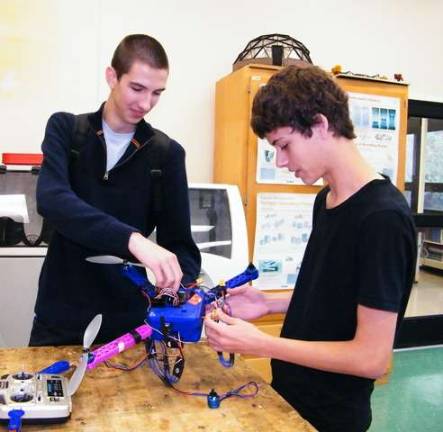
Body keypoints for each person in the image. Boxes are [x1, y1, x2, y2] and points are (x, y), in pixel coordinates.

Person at [205, 65, 416, 432]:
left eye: (284, 145)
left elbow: (371, 358)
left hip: (329, 417)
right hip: (290, 398)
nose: (282, 162)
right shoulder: (327, 200)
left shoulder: (382, 218)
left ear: (320, 124)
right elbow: (338, 297)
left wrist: (262, 344)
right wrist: (271, 303)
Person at [30, 34, 201, 346]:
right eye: (137, 88)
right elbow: (52, 199)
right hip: (59, 318)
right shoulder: (67, 131)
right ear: (112, 77)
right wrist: (133, 240)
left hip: (128, 326)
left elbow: (182, 248)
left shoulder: (167, 155)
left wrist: (178, 287)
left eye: (157, 93)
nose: (146, 103)